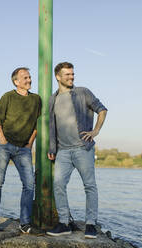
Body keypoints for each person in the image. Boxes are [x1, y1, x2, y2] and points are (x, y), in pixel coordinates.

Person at [46, 62, 107, 239]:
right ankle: (64, 223)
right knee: (58, 184)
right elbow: (52, 125)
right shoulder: (53, 99)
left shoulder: (83, 92)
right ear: (58, 77)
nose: (71, 77)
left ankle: (90, 224)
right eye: (67, 75)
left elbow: (102, 109)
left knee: (89, 186)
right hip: (63, 151)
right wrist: (52, 147)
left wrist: (95, 131)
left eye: (72, 74)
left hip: (83, 148)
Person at [0, 67, 41, 234]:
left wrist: (30, 143)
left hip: (23, 148)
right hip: (5, 145)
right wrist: (2, 139)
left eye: (30, 77)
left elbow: (37, 124)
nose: (29, 80)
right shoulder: (8, 97)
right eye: (25, 78)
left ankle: (25, 223)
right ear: (16, 81)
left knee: (29, 184)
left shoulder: (36, 99)